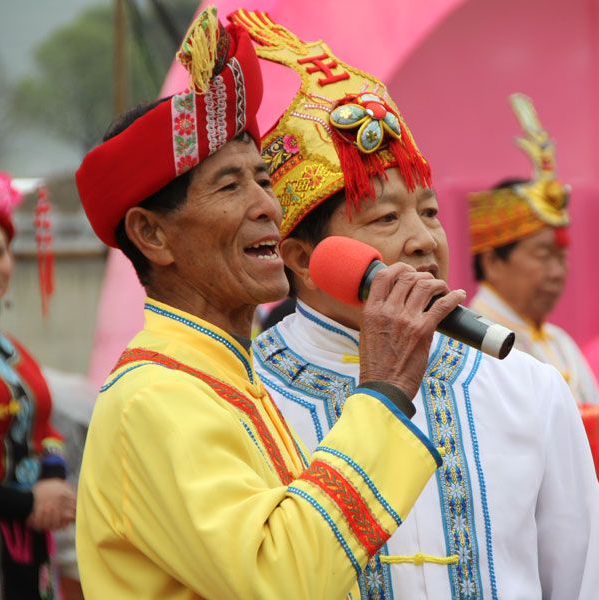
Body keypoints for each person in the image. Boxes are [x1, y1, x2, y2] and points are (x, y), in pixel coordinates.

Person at [233, 10, 599, 599]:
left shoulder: (527, 387)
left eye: (430, 212)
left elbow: (588, 584)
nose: (423, 239)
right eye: (385, 217)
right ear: (299, 255)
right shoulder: (244, 401)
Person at [74, 9, 462, 599]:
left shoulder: (227, 377)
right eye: (231, 186)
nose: (268, 206)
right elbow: (282, 580)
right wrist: (382, 392)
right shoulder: (154, 399)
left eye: (262, 178)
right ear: (152, 235)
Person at [466, 94, 599, 559]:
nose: (557, 271)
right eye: (543, 255)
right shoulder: (465, 341)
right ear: (492, 259)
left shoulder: (562, 345)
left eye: (562, 256)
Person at [0, 165, 76, 599]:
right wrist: (29, 504)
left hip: (26, 538)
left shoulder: (9, 350)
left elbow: (42, 427)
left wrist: (51, 477)